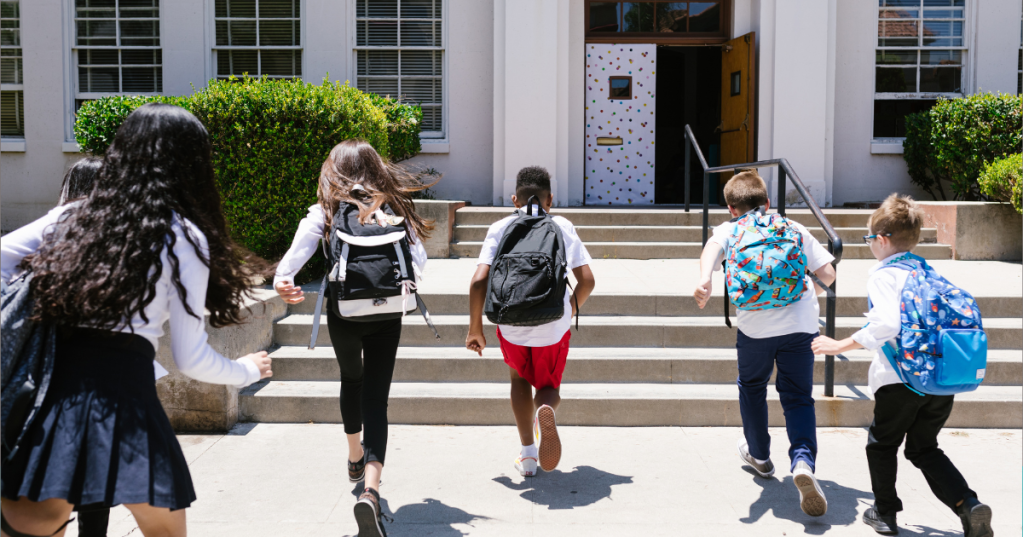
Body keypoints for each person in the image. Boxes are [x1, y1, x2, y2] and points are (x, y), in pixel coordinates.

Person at [0, 103, 272, 537]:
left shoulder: (70, 216)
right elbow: (191, 358)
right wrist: (244, 371)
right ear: (191, 164)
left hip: (53, 399)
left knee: (33, 524)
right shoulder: (182, 235)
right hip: (126, 401)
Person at [273, 139, 433, 537]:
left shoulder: (325, 211)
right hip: (387, 314)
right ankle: (372, 493)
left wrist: (284, 281)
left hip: (344, 313)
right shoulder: (395, 208)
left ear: (334, 170)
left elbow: (293, 259)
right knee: (376, 398)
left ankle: (353, 455)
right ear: (377, 168)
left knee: (352, 380)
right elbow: (419, 266)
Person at [811, 194, 993, 537]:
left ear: (881, 240)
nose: (869, 246)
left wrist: (839, 345)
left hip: (900, 380)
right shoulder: (927, 270)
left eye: (869, 240)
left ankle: (884, 512)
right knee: (924, 448)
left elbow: (886, 325)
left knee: (881, 444)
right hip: (941, 380)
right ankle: (968, 505)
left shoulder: (884, 275)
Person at [693, 171, 836, 517]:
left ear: (731, 208)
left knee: (753, 387)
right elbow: (829, 274)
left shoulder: (730, 229)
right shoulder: (793, 227)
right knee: (798, 396)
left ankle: (759, 455)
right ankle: (802, 462)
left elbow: (711, 252)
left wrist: (704, 281)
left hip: (755, 328)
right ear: (768, 202)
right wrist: (805, 294)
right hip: (801, 326)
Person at [465, 166, 595, 477]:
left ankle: (527, 455)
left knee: (518, 380)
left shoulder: (500, 227)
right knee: (548, 386)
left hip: (510, 322)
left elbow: (478, 282)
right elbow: (587, 281)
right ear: (550, 198)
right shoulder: (561, 225)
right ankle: (545, 409)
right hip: (553, 324)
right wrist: (570, 309)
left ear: (514, 199)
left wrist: (475, 330)